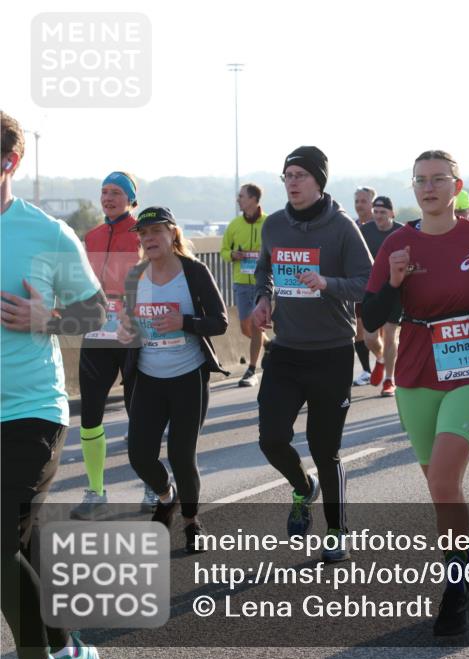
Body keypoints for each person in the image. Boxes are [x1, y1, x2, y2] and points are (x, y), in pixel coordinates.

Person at [363, 149, 469, 635]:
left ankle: (454, 589)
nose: (429, 188)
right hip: (414, 369)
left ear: (456, 186)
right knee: (440, 488)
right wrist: (393, 280)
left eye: (438, 179)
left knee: (445, 480)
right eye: (421, 181)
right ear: (414, 189)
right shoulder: (398, 242)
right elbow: (370, 318)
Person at [1, 110, 104, 659]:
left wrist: (47, 319)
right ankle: (69, 645)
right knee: (20, 541)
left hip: (30, 411)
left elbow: (95, 312)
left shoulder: (46, 233)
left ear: (9, 162)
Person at [253, 146, 372, 563]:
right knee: (271, 439)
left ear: (319, 181)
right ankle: (303, 488)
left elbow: (367, 281)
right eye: (287, 175)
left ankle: (337, 529)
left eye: (300, 175)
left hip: (332, 353)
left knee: (325, 450)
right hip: (285, 351)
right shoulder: (274, 226)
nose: (292, 182)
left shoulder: (341, 227)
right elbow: (264, 270)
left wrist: (326, 282)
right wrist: (262, 299)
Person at [116, 206, 228, 555]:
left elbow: (220, 322)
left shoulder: (193, 272)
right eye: (143, 234)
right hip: (147, 378)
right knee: (139, 456)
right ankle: (167, 496)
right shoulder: (135, 276)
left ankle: (192, 522)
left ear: (172, 235)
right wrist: (125, 331)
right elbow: (129, 324)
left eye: (156, 232)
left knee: (182, 456)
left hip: (188, 376)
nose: (149, 239)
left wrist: (185, 322)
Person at [72, 170, 149, 520]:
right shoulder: (91, 235)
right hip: (97, 332)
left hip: (133, 334)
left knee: (140, 414)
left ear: (131, 198)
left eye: (116, 192)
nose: (108, 198)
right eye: (103, 191)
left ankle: (151, 484)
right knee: (90, 414)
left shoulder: (143, 234)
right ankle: (95, 490)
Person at [221, 182, 268, 388]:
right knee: (245, 327)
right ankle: (269, 344)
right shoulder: (234, 225)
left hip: (262, 283)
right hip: (241, 281)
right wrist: (233, 254)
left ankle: (251, 369)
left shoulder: (269, 223)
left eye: (241, 196)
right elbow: (223, 251)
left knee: (257, 325)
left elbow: (277, 250)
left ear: (253, 199)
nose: (238, 199)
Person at [360, 195, 404, 396]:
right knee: (369, 337)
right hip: (371, 290)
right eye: (375, 212)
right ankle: (380, 358)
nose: (378, 216)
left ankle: (389, 379)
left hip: (395, 290)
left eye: (383, 212)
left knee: (389, 333)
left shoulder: (402, 233)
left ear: (392, 213)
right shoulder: (364, 231)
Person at [352, 187, 377, 384]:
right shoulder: (351, 227)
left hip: (380, 288)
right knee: (359, 329)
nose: (359, 205)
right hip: (358, 287)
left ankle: (384, 363)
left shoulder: (381, 226)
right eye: (357, 201)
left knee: (379, 333)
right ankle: (367, 370)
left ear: (372, 204)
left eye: (363, 201)